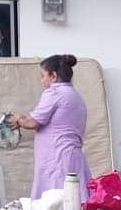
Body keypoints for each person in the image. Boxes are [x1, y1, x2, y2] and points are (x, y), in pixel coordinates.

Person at [6, 54, 92, 200]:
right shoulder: (75, 96)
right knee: (75, 202)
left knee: (55, 204)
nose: (41, 80)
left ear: (53, 76)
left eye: (42, 75)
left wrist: (18, 119)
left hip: (56, 158)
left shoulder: (54, 93)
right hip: (72, 157)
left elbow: (33, 123)